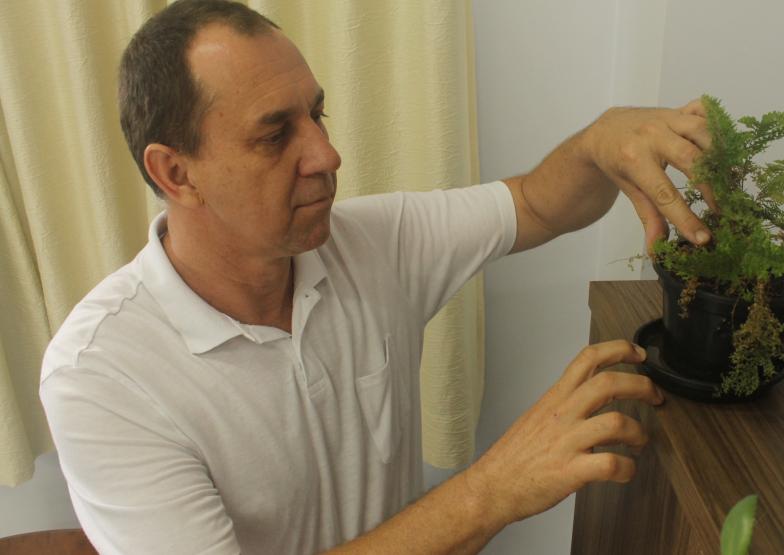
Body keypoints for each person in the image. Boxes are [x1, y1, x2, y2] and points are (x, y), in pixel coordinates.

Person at [39, 1, 713, 553]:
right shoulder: (100, 375)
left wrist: (599, 143)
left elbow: (537, 202)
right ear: (175, 173)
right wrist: (493, 489)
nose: (326, 154)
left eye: (316, 114)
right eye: (275, 135)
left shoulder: (371, 243)